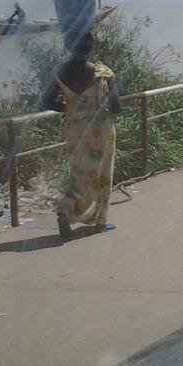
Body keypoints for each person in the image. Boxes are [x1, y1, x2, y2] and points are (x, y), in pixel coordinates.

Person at [41, 27, 121, 238]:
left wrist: (71, 109)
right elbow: (116, 105)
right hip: (100, 130)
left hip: (74, 128)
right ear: (91, 46)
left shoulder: (59, 72)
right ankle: (98, 221)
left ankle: (67, 211)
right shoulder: (103, 72)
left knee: (81, 172)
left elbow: (46, 101)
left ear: (68, 46)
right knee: (102, 173)